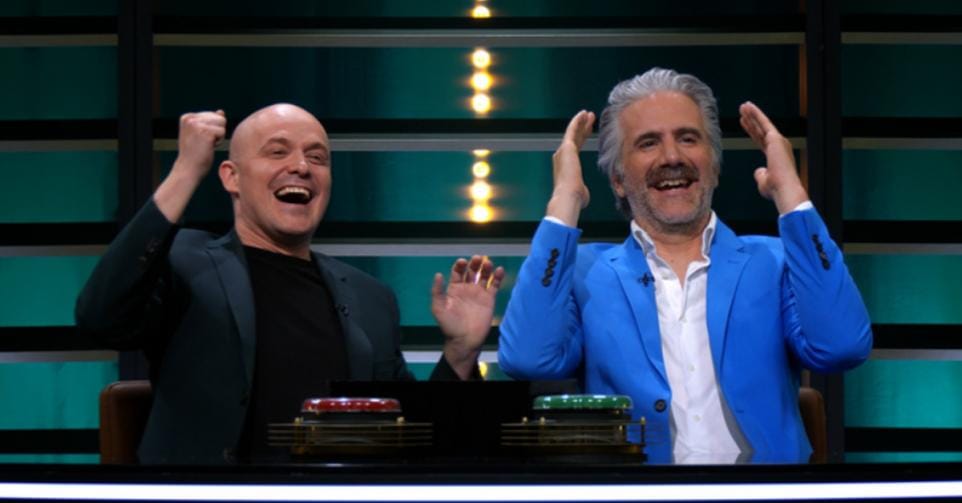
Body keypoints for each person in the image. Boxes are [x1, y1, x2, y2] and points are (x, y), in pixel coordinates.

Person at [76, 103, 504, 464]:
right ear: (231, 177)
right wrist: (187, 170)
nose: (301, 167)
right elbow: (101, 317)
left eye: (317, 158)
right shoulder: (186, 259)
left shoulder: (370, 297)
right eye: (277, 152)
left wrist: (461, 352)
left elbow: (411, 438)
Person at [497, 68, 872, 463]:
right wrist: (565, 202)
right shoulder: (585, 272)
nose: (672, 157)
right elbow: (527, 358)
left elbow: (842, 346)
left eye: (688, 138)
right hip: (640, 490)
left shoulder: (774, 261)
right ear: (618, 180)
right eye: (648, 143)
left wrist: (790, 194)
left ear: (714, 164)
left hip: (763, 490)